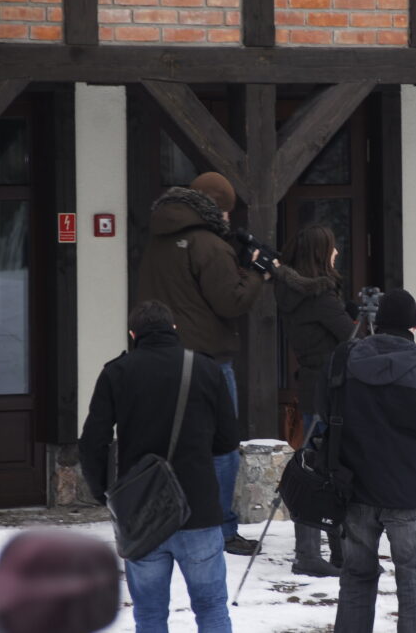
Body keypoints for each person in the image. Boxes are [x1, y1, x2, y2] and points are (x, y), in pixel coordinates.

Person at [79, 300, 239, 633]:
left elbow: (93, 441)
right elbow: (227, 441)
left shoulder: (117, 372)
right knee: (211, 608)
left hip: (141, 510)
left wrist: (103, 492)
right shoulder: (206, 369)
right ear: (174, 329)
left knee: (150, 614)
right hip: (198, 508)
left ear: (133, 334)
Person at [136, 171, 269, 557]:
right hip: (207, 361)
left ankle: (166, 520)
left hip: (158, 358)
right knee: (221, 446)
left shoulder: (158, 240)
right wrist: (257, 274)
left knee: (170, 442)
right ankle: (222, 529)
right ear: (215, 208)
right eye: (226, 211)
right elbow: (230, 302)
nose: (228, 219)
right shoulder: (209, 244)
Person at [326, 289, 416, 633]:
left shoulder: (344, 363)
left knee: (356, 576)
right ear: (413, 327)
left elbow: (325, 412)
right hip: (409, 493)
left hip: (354, 488)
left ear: (378, 324)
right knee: (414, 578)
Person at [274, 224, 354, 577]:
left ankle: (329, 552)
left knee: (314, 467)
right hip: (330, 391)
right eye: (332, 247)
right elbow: (352, 339)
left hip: (311, 387)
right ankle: (316, 554)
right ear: (321, 254)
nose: (337, 253)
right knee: (326, 471)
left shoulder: (293, 293)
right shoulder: (320, 297)